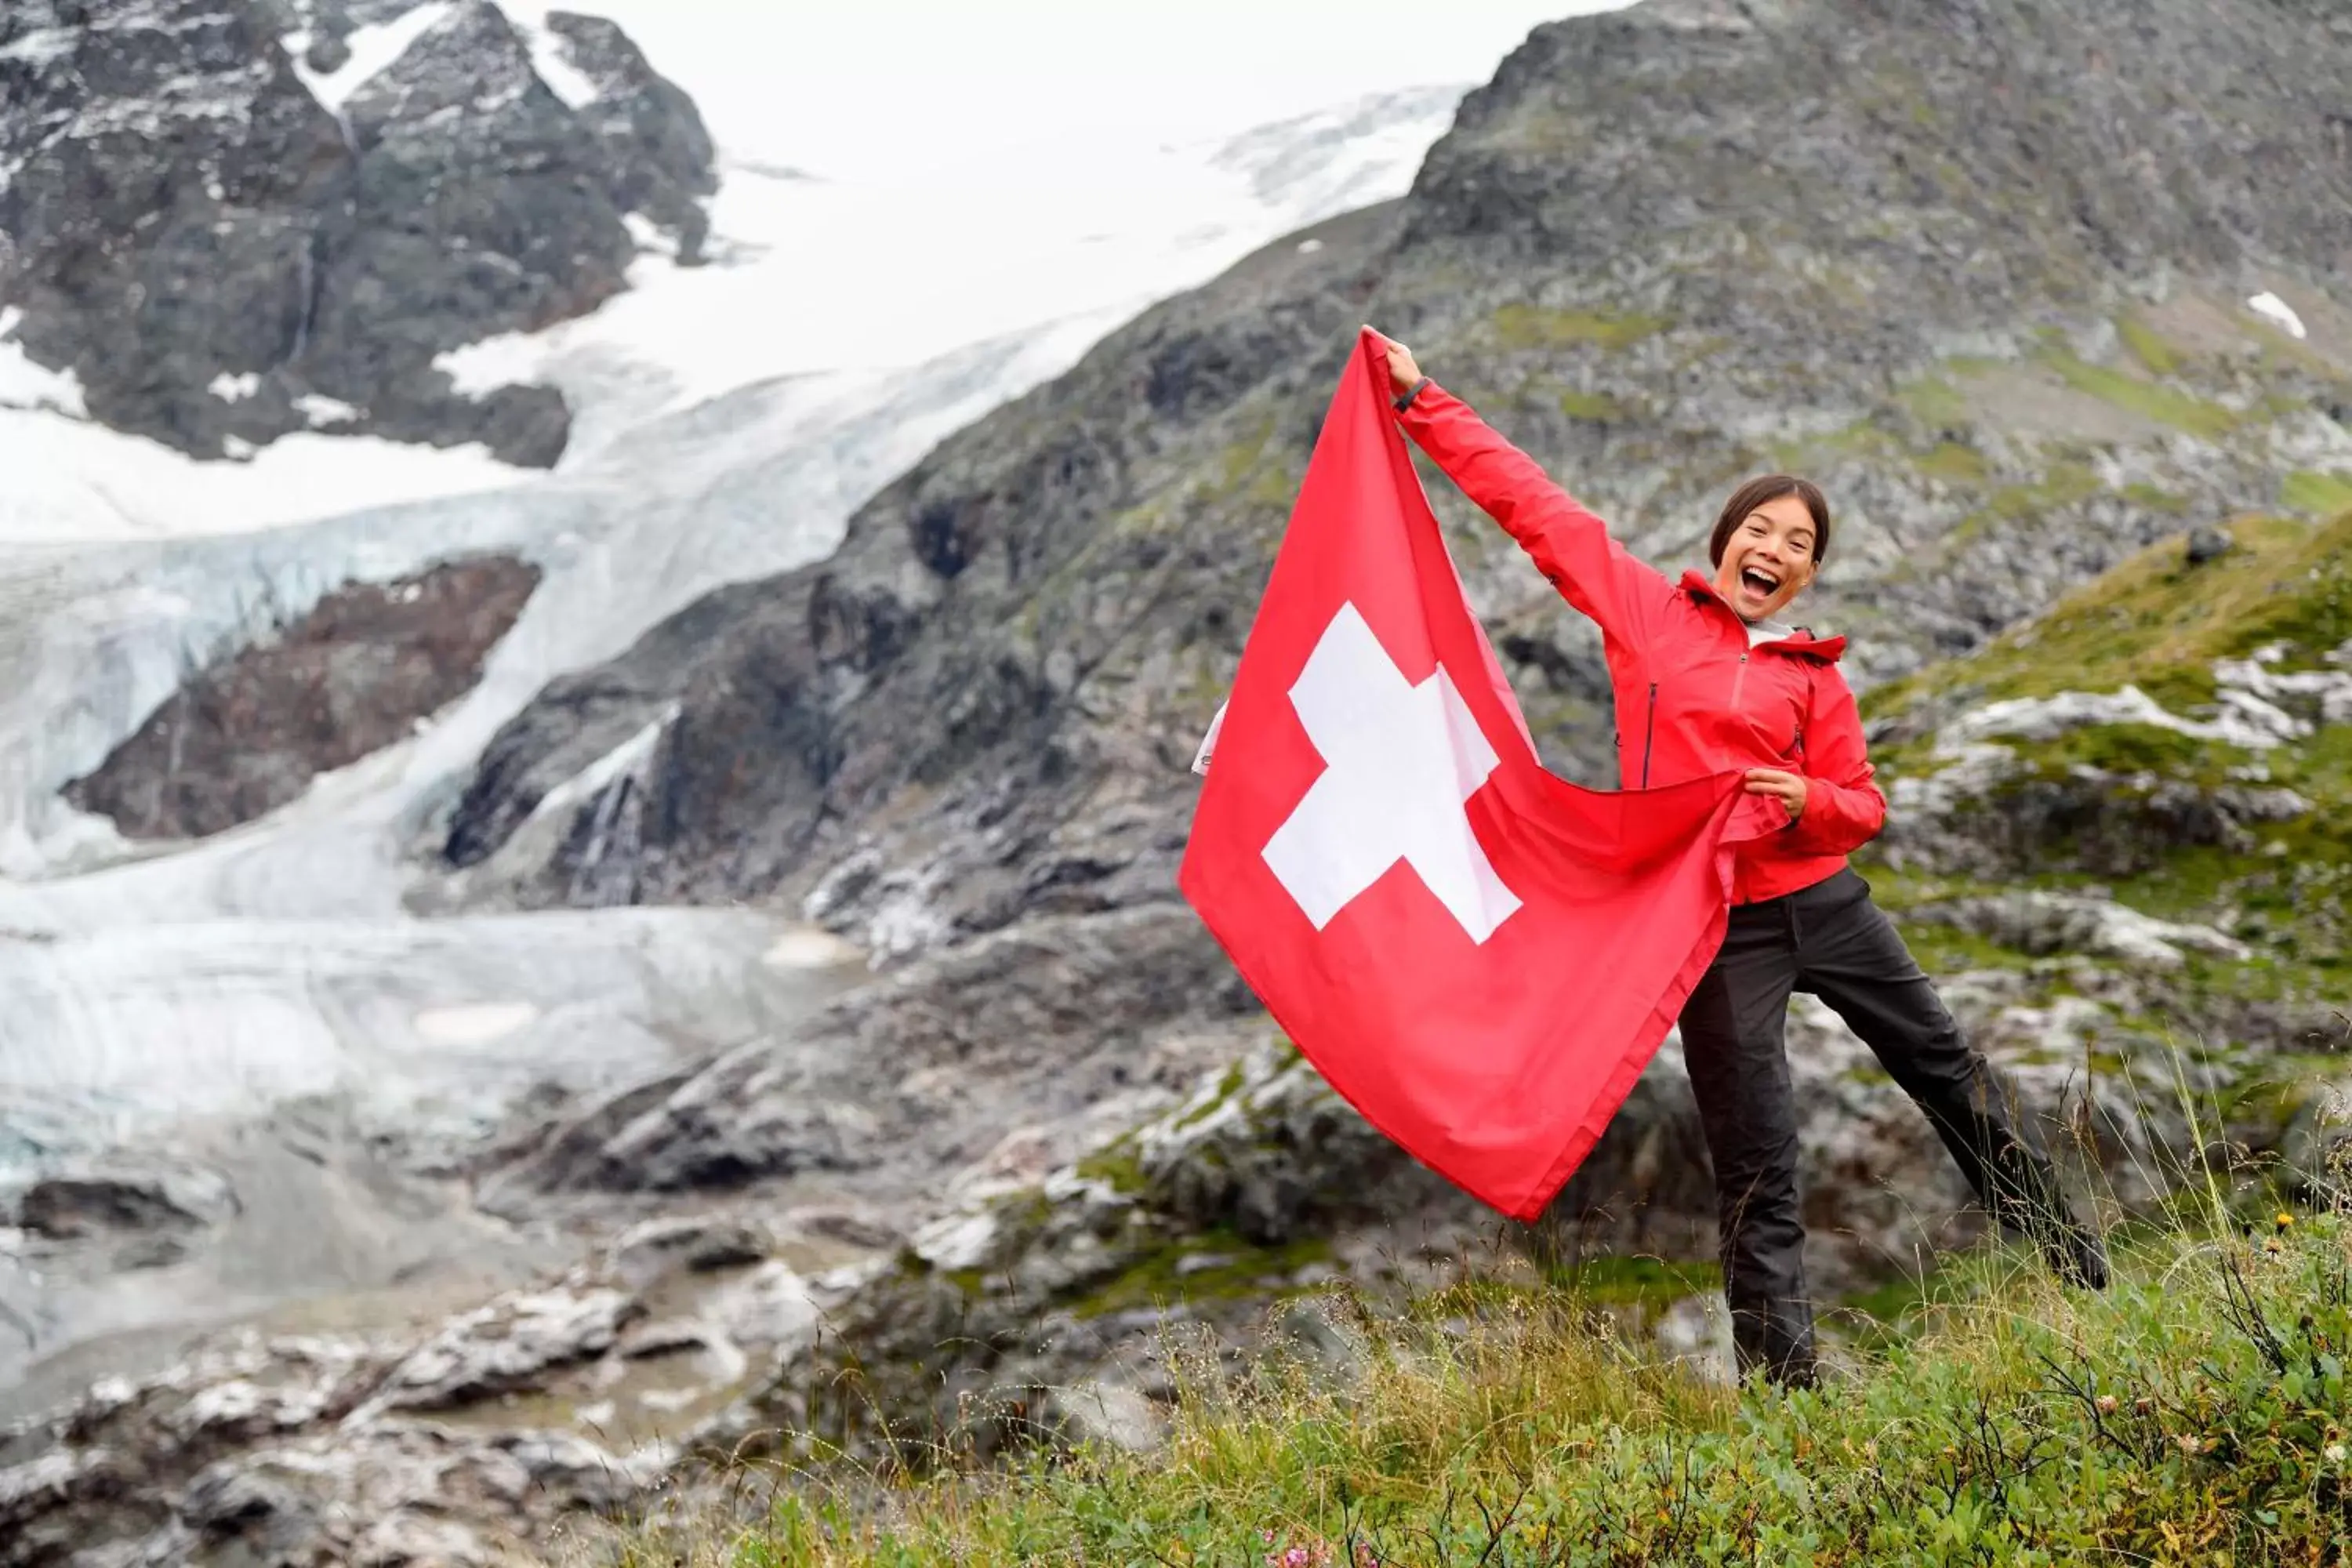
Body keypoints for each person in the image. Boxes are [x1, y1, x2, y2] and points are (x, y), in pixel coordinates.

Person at [1369, 328, 2106, 1388]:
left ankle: (2077, 1268)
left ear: (1807, 575)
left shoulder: (1817, 679)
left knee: (1953, 1080)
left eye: (1799, 542)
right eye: (1760, 528)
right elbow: (1534, 505)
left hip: (1830, 907)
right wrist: (1421, 397)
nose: (1776, 548)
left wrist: (1809, 798)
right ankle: (1786, 1391)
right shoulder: (1645, 616)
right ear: (1726, 544)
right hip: (1715, 930)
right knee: (1759, 1161)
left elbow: (1861, 808)